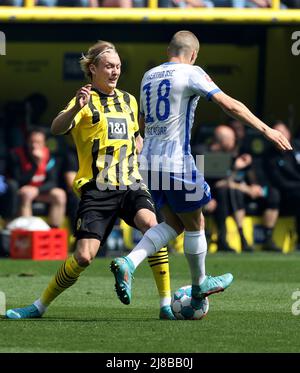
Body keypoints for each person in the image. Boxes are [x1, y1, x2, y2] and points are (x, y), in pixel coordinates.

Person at [110, 30, 292, 309]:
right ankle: (199, 285)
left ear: (168, 51)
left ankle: (128, 261)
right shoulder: (191, 72)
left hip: (149, 162)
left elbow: (142, 122)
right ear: (193, 54)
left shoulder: (149, 76)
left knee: (174, 224)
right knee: (197, 224)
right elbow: (227, 103)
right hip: (176, 161)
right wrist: (266, 129)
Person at [5, 41, 176, 320]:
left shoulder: (129, 100)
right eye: (109, 66)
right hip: (98, 188)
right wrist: (75, 109)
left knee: (152, 228)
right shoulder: (83, 100)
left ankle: (166, 305)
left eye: (118, 66)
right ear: (93, 68)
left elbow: (135, 134)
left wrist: (139, 143)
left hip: (131, 183)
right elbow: (57, 127)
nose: (115, 71)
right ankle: (39, 306)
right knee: (84, 257)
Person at [7, 129, 66, 228]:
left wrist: (37, 190)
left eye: (38, 142)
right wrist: (36, 164)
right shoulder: (16, 155)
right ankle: (28, 231)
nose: (34, 145)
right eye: (31, 142)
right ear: (27, 142)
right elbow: (18, 180)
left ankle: (53, 230)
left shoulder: (49, 157)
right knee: (27, 193)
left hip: (39, 191)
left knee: (60, 194)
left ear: (44, 143)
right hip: (23, 191)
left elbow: (53, 182)